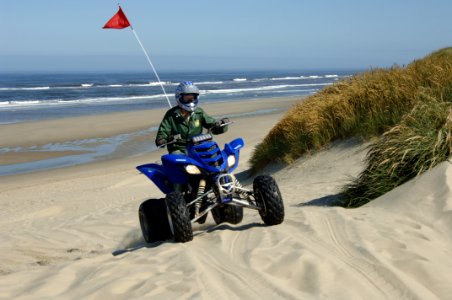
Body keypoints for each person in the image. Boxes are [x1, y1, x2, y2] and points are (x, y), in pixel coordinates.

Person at [155, 81, 228, 153]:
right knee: (178, 160)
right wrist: (161, 139)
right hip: (179, 148)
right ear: (179, 97)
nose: (190, 100)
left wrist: (221, 125)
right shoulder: (171, 114)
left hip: (198, 145)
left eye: (193, 97)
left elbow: (212, 124)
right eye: (187, 98)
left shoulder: (199, 112)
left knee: (214, 155)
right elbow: (163, 131)